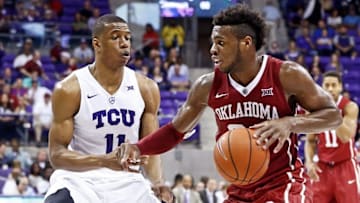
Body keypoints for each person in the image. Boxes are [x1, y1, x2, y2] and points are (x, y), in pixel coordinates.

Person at [118, 4, 342, 202]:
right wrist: (139, 148)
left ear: (246, 43)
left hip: (283, 185)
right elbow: (175, 131)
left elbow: (333, 116)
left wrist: (290, 124)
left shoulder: (286, 74)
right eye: (213, 42)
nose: (212, 49)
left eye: (221, 42)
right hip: (239, 189)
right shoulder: (207, 85)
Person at [44, 14, 164, 203]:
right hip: (80, 179)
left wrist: (158, 183)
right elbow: (56, 155)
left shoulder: (147, 88)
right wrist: (104, 161)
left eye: (127, 38)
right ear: (97, 44)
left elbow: (151, 151)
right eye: (116, 37)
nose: (124, 43)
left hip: (128, 181)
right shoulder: (70, 89)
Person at [305, 71, 359, 203]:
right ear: (322, 86)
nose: (330, 89)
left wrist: (332, 113)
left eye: (334, 85)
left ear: (340, 87)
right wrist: (309, 162)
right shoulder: (314, 109)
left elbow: (346, 136)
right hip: (322, 167)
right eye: (327, 85)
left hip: (345, 166)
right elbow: (310, 141)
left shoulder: (349, 107)